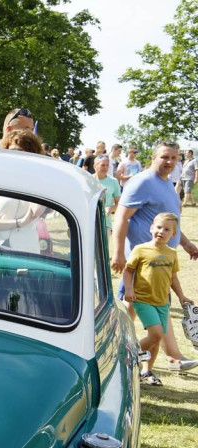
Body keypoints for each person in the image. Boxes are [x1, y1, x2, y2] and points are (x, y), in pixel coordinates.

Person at [112, 141, 198, 372]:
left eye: (174, 158)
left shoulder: (168, 184)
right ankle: (170, 357)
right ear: (153, 158)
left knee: (145, 308)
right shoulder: (142, 182)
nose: (170, 161)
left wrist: (187, 243)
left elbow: (170, 223)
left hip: (161, 262)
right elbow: (121, 217)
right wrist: (119, 253)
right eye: (165, 157)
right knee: (131, 307)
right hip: (141, 263)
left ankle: (164, 359)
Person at [123, 212, 193, 386]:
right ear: (151, 228)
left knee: (154, 339)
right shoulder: (141, 249)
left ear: (173, 234)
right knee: (156, 334)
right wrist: (129, 289)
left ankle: (146, 371)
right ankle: (128, 355)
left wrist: (182, 296)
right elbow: (128, 271)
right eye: (159, 227)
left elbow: (173, 278)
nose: (161, 231)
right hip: (142, 299)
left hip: (162, 302)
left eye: (167, 229)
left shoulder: (171, 253)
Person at [0, 129, 47, 252]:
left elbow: (36, 210)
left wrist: (30, 176)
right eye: (12, 151)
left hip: (26, 251)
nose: (16, 156)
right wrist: (18, 222)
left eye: (22, 152)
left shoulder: (38, 183)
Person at [94, 155, 120, 231]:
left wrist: (110, 209)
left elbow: (119, 204)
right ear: (95, 166)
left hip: (106, 224)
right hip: (90, 222)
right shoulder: (89, 180)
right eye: (102, 165)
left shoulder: (113, 181)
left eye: (107, 165)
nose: (105, 168)